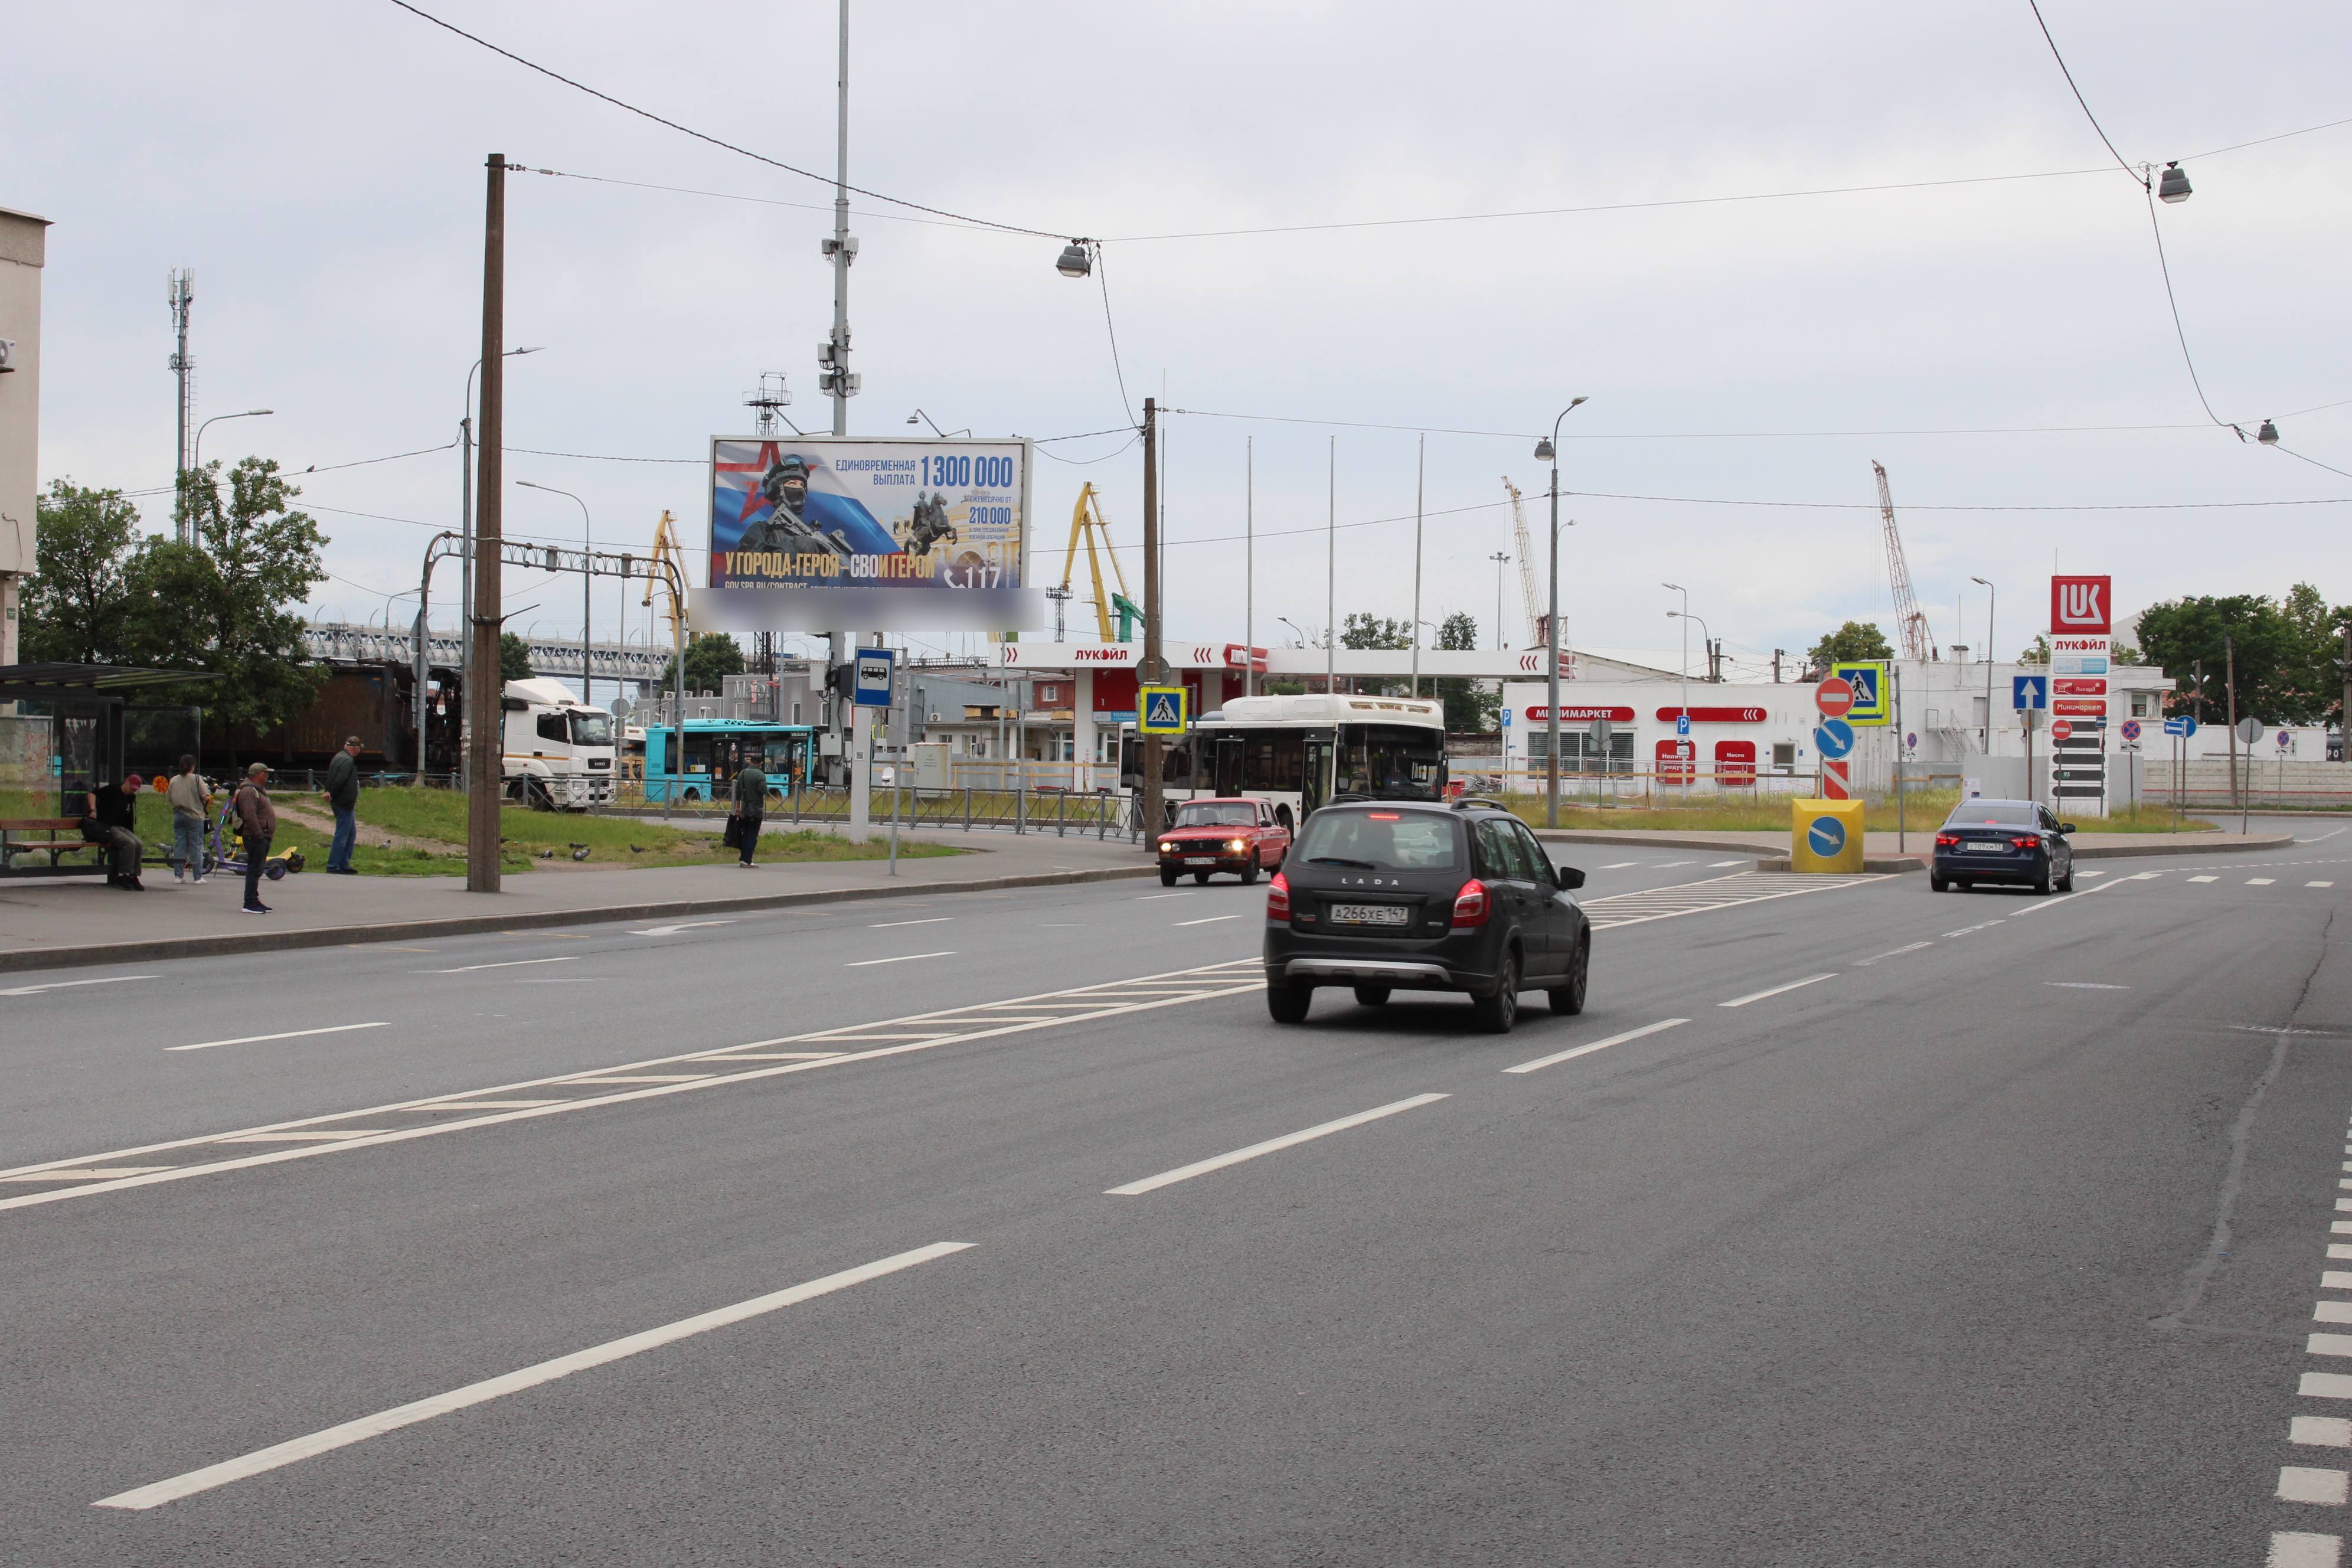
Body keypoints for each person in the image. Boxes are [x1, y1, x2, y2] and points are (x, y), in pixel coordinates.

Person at [77, 775, 146, 890]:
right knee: (129, 844)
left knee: (138, 843)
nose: (132, 791)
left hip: (123, 827)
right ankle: (124, 874)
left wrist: (131, 831)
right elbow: (92, 794)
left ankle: (134, 875)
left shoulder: (130, 798)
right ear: (126, 782)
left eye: (135, 789)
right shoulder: (112, 790)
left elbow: (129, 816)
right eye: (132, 787)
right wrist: (93, 809)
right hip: (108, 827)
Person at [234, 762, 277, 914]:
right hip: (255, 837)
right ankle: (249, 902)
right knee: (254, 870)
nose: (268, 776)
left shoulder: (259, 790)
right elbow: (249, 815)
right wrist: (259, 834)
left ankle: (254, 899)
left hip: (262, 836)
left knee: (257, 870)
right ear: (259, 774)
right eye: (266, 773)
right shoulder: (248, 791)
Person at [166, 755, 210, 883]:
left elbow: (169, 798)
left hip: (178, 815)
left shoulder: (174, 780)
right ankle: (198, 876)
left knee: (180, 844)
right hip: (194, 816)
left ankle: (178, 876)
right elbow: (206, 796)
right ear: (193, 766)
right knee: (196, 845)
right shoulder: (197, 778)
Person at [323, 735, 362, 874]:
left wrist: (328, 791)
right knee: (343, 834)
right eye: (359, 748)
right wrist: (331, 793)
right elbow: (340, 779)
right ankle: (334, 865)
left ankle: (343, 864)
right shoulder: (348, 761)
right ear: (356, 748)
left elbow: (330, 776)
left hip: (344, 803)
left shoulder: (338, 757)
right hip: (344, 803)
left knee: (351, 833)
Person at [729, 755, 767, 867]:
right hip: (756, 809)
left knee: (745, 834)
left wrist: (737, 807)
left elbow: (738, 791)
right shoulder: (760, 775)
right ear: (760, 764)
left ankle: (743, 858)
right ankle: (748, 860)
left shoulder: (743, 773)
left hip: (744, 809)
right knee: (752, 835)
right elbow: (764, 791)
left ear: (751, 762)